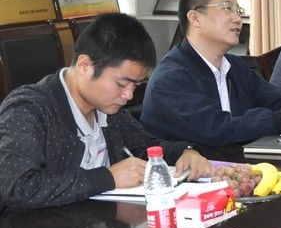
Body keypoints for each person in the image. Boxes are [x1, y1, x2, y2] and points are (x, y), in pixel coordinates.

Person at [0, 12, 213, 215]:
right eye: (121, 84)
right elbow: (17, 188)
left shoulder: (109, 110)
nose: (128, 95)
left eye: (135, 85)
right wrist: (108, 178)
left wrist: (185, 152)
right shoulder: (28, 110)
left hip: (100, 227)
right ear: (85, 66)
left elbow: (145, 146)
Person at [141, 0, 281, 149]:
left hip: (235, 167)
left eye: (238, 10)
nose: (238, 19)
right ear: (195, 18)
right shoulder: (170, 79)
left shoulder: (235, 67)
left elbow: (278, 103)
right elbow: (218, 129)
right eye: (227, 9)